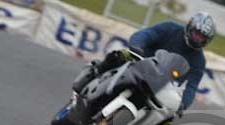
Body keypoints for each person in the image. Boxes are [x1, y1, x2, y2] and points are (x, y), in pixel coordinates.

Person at [72, 12, 216, 119]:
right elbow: (146, 34)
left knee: (164, 115)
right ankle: (93, 73)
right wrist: (137, 47)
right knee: (120, 55)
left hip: (158, 83)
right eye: (197, 33)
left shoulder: (199, 61)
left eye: (202, 37)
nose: (198, 38)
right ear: (190, 27)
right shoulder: (170, 28)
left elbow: (191, 86)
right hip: (139, 61)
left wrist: (183, 105)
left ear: (207, 40)